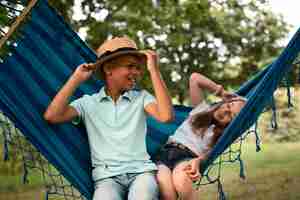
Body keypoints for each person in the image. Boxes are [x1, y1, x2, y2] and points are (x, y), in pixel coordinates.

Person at [43, 36, 174, 200]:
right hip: (107, 178)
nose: (137, 73)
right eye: (131, 66)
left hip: (141, 173)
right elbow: (52, 116)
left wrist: (154, 70)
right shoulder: (88, 103)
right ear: (109, 68)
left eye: (139, 68)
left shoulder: (141, 98)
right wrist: (76, 79)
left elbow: (166, 116)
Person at [154, 72, 246, 200]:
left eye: (231, 115)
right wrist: (221, 92)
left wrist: (198, 161)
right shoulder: (201, 110)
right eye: (229, 105)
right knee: (167, 193)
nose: (225, 111)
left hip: (187, 157)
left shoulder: (223, 137)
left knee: (181, 181)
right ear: (225, 102)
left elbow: (211, 154)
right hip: (164, 153)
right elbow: (195, 78)